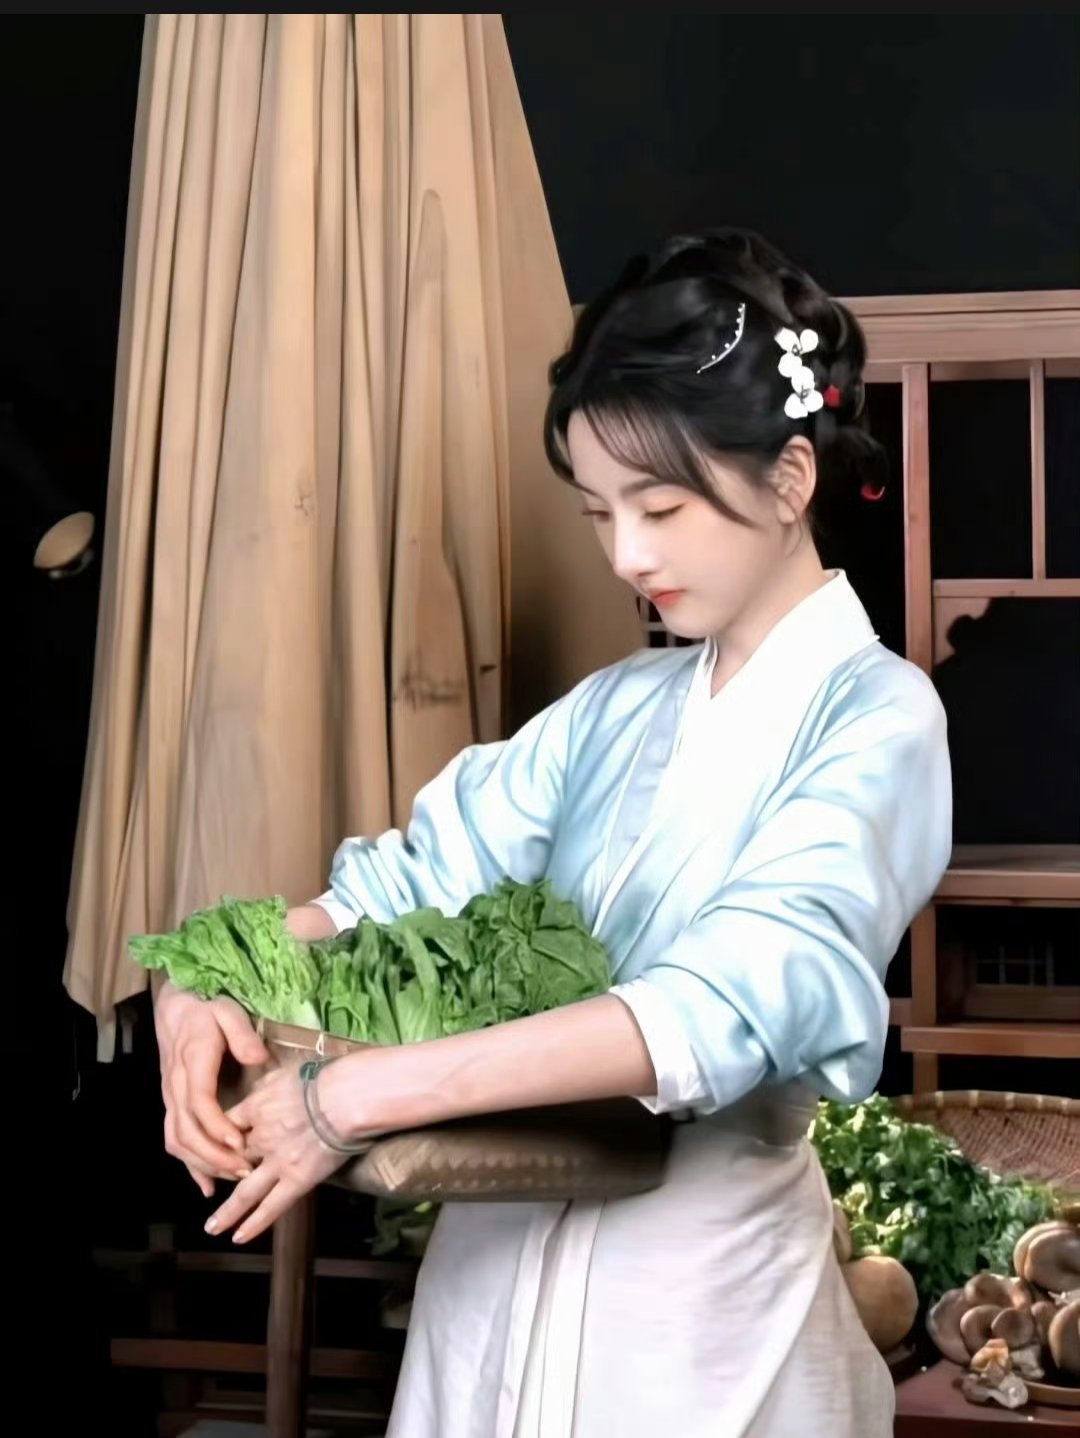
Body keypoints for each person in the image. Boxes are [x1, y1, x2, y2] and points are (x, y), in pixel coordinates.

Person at [154, 228, 952, 1437]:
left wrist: (359, 1095)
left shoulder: (878, 718)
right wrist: (203, 976)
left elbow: (728, 1003)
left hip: (703, 1321)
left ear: (791, 478)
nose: (628, 555)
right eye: (598, 511)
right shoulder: (611, 709)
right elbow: (396, 892)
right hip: (484, 1293)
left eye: (661, 506)